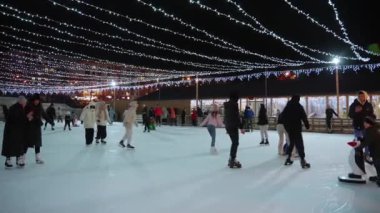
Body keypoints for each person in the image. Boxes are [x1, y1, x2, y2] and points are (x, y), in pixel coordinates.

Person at [282, 95, 311, 169]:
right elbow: (304, 116)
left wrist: (287, 127)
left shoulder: (287, 107)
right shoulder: (299, 106)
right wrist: (307, 125)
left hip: (290, 129)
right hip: (297, 129)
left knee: (291, 143)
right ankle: (302, 160)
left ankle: (288, 158)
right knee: (299, 144)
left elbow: (283, 117)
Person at [348, 90, 375, 162]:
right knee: (358, 141)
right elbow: (350, 115)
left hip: (367, 128)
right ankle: (358, 154)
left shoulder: (369, 105)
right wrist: (355, 112)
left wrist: (372, 120)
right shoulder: (354, 105)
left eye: (362, 96)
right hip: (357, 127)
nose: (361, 97)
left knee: (367, 141)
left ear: (365, 96)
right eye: (359, 96)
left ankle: (367, 155)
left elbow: (372, 115)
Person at [25, 94, 52, 164]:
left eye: (38, 100)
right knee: (27, 143)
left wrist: (50, 121)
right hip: (29, 127)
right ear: (33, 100)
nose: (37, 102)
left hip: (37, 127)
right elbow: (26, 116)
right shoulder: (28, 106)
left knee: (37, 143)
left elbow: (44, 114)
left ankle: (37, 158)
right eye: (36, 100)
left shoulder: (40, 106)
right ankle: (22, 157)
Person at [1, 96, 28, 168]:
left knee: (18, 145)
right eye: (25, 102)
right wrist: (27, 117)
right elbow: (16, 119)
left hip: (17, 130)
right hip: (11, 130)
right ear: (21, 102)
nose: (25, 104)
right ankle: (8, 160)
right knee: (10, 145)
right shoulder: (15, 108)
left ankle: (18, 160)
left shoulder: (19, 107)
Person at [356, 116, 380, 186]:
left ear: (369, 124)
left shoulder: (371, 131)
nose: (364, 124)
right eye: (364, 122)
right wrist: (361, 139)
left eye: (365, 123)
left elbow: (367, 142)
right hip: (376, 150)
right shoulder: (371, 130)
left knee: (378, 164)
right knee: (377, 164)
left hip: (377, 151)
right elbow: (366, 139)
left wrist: (358, 148)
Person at [224, 92, 245, 168]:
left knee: (234, 142)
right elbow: (236, 117)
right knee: (235, 142)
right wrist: (241, 127)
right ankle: (232, 159)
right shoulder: (234, 105)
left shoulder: (227, 105)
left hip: (228, 126)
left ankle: (231, 159)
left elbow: (228, 117)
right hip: (233, 126)